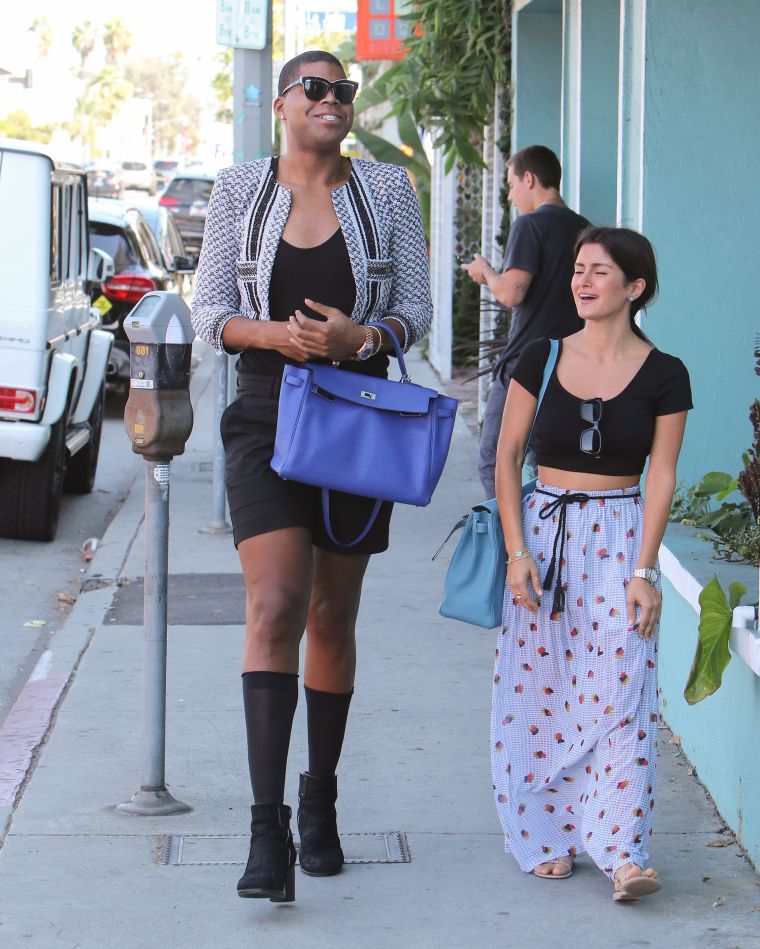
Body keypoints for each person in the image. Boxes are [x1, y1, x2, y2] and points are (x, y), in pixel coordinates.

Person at [191, 50, 432, 903]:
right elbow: (210, 311)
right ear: (284, 105)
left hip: (355, 416)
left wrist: (361, 338)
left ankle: (320, 798)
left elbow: (416, 308)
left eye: (344, 91)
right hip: (265, 411)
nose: (333, 101)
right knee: (274, 605)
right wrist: (278, 337)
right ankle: (267, 831)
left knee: (332, 611)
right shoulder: (238, 190)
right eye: (316, 89)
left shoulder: (388, 190)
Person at [490, 226, 692, 901]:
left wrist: (645, 570)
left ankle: (623, 850)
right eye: (579, 269)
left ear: (635, 287)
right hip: (545, 532)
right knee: (538, 689)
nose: (582, 281)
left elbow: (662, 474)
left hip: (622, 533)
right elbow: (507, 456)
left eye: (599, 271)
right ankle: (544, 834)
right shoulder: (541, 355)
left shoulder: (666, 373)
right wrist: (517, 551)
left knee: (624, 689)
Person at [461, 145, 589, 498]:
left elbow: (510, 293)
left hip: (527, 366)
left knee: (495, 461)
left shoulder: (530, 225)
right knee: (548, 466)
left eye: (511, 184)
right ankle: (543, 531)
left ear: (529, 178)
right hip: (573, 365)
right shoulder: (586, 230)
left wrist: (485, 272)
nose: (509, 195)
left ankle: (508, 534)